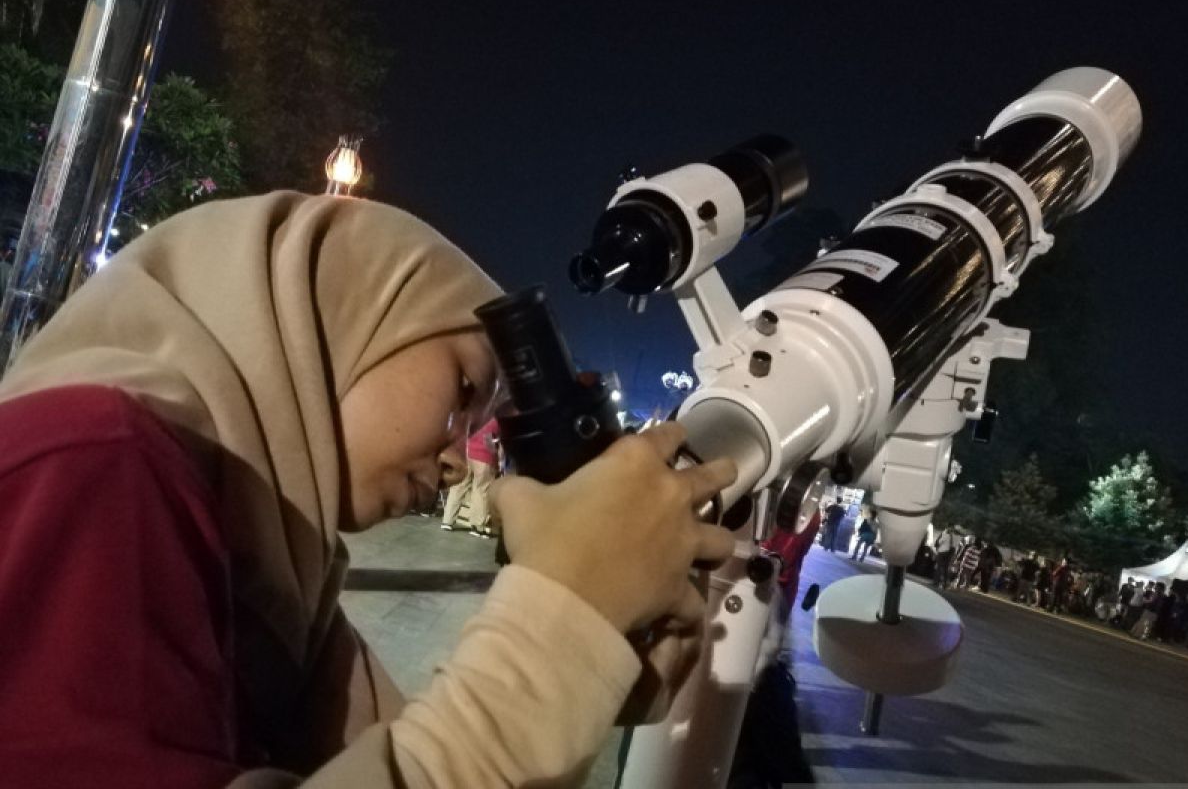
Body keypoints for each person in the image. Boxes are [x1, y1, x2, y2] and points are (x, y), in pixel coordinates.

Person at [0, 193, 737, 787]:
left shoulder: (281, 591)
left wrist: (586, 678)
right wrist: (560, 626)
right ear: (344, 316)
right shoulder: (93, 459)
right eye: (463, 392)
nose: (458, 459)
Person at [441, 416, 500, 536]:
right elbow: (490, 438)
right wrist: (495, 459)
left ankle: (447, 520)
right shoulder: (495, 419)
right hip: (484, 457)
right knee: (481, 490)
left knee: (459, 486)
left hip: (467, 453)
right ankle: (477, 526)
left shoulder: (476, 413)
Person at [761, 507, 821, 621]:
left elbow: (789, 548)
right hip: (784, 578)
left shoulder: (804, 507)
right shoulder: (812, 510)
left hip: (774, 575)